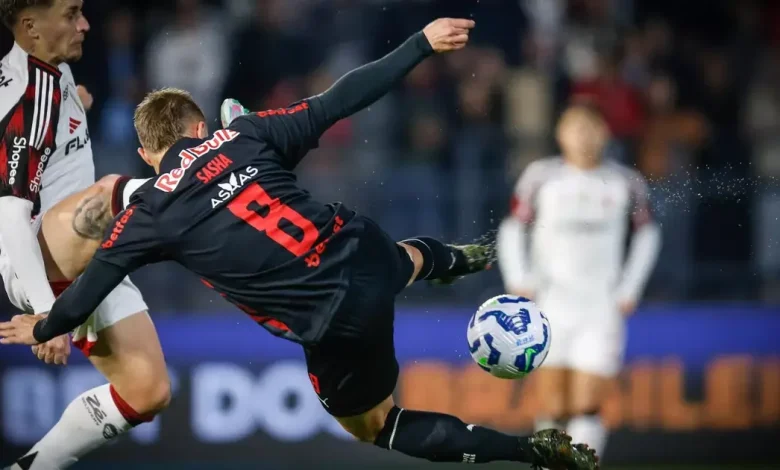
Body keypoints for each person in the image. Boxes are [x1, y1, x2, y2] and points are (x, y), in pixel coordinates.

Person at [1, 19, 599, 470]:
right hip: (362, 248)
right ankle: (456, 257)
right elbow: (344, 98)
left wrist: (45, 325)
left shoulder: (152, 209)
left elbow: (96, 281)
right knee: (399, 260)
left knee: (376, 426)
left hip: (331, 320)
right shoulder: (248, 133)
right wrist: (419, 42)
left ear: (146, 156)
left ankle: (530, 450)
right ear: (200, 127)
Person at [0, 1, 170, 468]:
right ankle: (191, 181)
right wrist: (45, 316)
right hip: (40, 262)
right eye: (72, 13)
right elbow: (10, 216)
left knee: (148, 391)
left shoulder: (54, 76)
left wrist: (79, 105)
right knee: (110, 193)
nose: (85, 24)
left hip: (88, 256)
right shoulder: (31, 94)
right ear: (31, 27)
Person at [496, 104, 661, 460]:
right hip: (551, 304)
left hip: (600, 307)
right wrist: (518, 278)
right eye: (575, 127)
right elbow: (512, 228)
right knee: (553, 403)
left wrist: (629, 288)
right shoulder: (541, 177)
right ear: (560, 134)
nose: (583, 135)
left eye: (591, 127)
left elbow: (647, 236)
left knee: (588, 401)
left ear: (604, 132)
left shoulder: (625, 182)